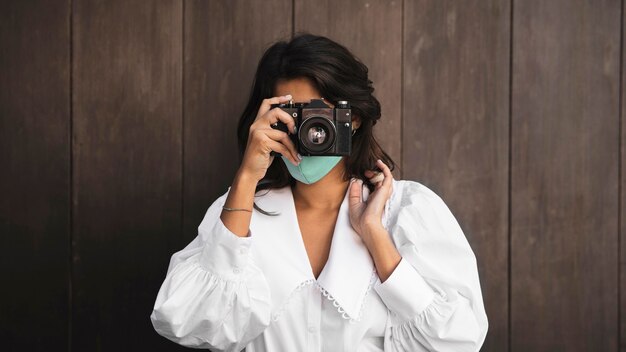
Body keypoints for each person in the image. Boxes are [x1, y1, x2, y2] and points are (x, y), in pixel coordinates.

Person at [150, 34, 488, 352]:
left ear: (352, 117)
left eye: (318, 115)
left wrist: (375, 236)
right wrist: (246, 177)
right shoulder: (239, 213)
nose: (306, 131)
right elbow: (185, 322)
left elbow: (458, 341)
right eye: (290, 116)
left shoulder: (408, 211)